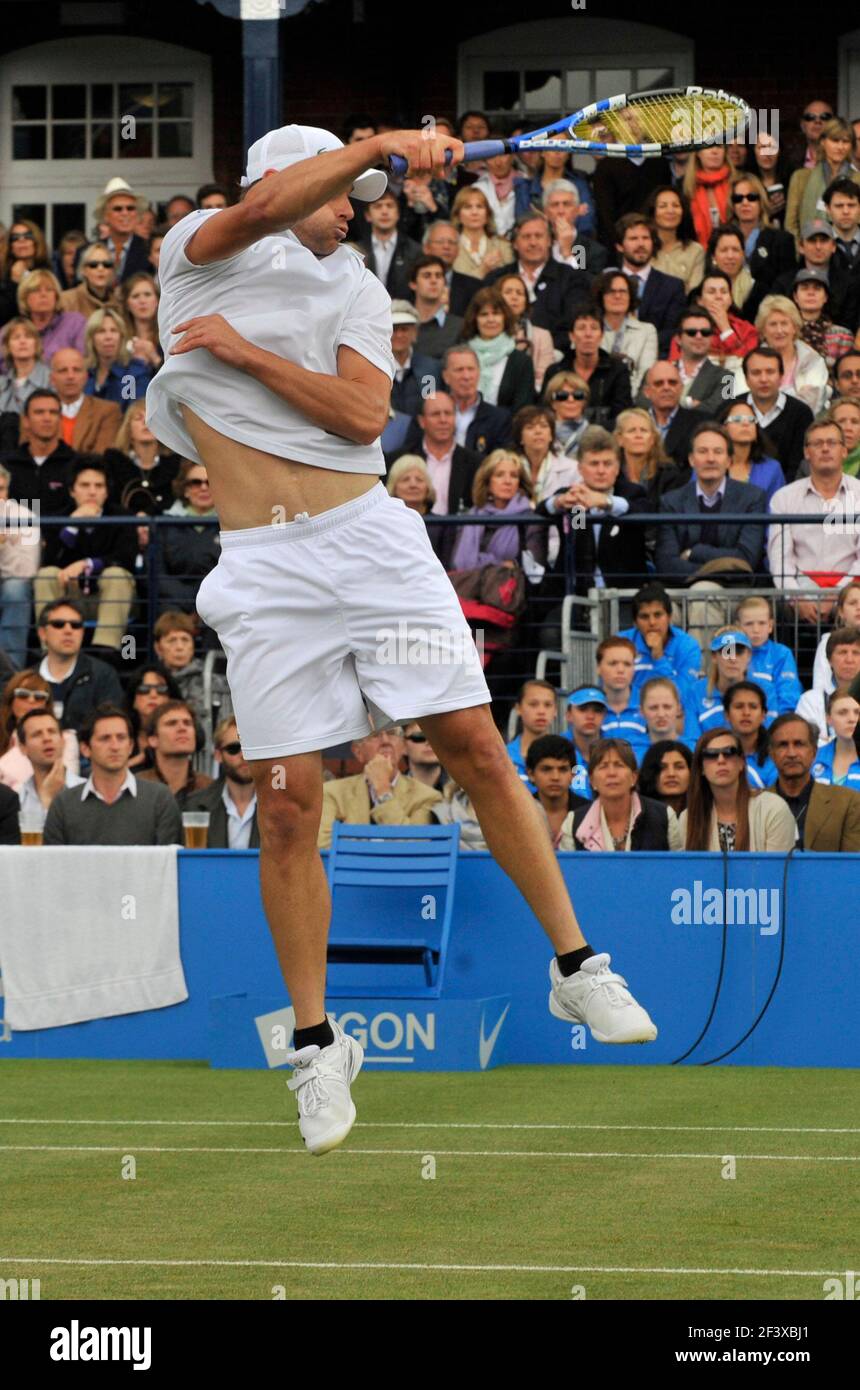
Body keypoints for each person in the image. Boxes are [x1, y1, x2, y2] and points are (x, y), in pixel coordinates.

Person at [145, 123, 657, 1154]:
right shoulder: (198, 244)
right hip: (263, 565)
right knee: (289, 805)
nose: (361, 207)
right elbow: (261, 211)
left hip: (367, 539)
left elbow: (354, 416)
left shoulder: (347, 290)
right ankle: (315, 1044)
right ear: (287, 180)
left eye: (369, 190)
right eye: (347, 190)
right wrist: (379, 142)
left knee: (470, 740)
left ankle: (575, 968)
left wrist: (242, 356)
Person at [33, 455, 136, 653]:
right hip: (70, 596)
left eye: (99, 486)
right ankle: (49, 649)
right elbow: (50, 560)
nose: (92, 491)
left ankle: (105, 652)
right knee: (46, 575)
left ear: (107, 492)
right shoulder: (58, 519)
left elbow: (126, 559)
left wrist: (88, 564)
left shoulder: (123, 517)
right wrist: (72, 524)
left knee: (116, 574)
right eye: (85, 485)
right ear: (72, 490)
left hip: (112, 598)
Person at [768, 420, 860, 636]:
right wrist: (796, 598)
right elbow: (779, 558)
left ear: (845, 451)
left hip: (852, 588)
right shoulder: (785, 497)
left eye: (832, 443)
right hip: (799, 587)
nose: (825, 448)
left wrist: (841, 595)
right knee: (773, 610)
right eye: (817, 443)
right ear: (806, 453)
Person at [43, 703, 182, 845]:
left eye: (121, 738)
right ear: (85, 749)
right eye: (105, 738)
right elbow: (53, 864)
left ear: (130, 746)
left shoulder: (159, 799)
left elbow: (169, 863)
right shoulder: (64, 804)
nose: (115, 746)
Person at [656, 422, 767, 582]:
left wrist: (694, 553)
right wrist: (717, 573)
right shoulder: (671, 501)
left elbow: (746, 559)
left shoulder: (752, 497)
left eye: (718, 452)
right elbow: (666, 564)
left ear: (729, 461)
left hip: (736, 591)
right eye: (702, 451)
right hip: (684, 590)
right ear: (691, 460)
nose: (710, 459)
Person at [550, 424, 647, 596]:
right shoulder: (574, 497)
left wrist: (606, 502)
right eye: (594, 464)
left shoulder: (633, 493)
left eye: (607, 464)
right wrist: (559, 502)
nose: (601, 471)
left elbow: (643, 514)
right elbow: (544, 511)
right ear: (580, 468)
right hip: (576, 593)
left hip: (625, 596)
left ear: (617, 468)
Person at [318, 725, 443, 849]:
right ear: (358, 751)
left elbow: (414, 847)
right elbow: (322, 845)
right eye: (375, 735)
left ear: (403, 746)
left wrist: (383, 791)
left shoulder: (427, 796)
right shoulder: (331, 792)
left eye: (391, 733)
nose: (385, 741)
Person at [484, 213, 591, 351]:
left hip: (556, 356)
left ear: (550, 241)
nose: (533, 243)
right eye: (526, 237)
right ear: (515, 244)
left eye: (539, 236)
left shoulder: (571, 278)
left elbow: (575, 324)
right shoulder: (495, 279)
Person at [680, 726, 796, 850]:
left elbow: (777, 869)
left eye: (729, 752)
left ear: (742, 763)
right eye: (711, 755)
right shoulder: (688, 819)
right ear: (701, 768)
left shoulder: (773, 809)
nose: (721, 760)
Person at [562, 737, 682, 851]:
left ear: (634, 777)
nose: (611, 773)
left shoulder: (664, 816)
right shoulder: (574, 822)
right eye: (603, 766)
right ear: (592, 780)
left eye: (619, 765)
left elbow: (679, 868)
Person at [33, 597, 123, 741]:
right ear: (42, 633)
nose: (68, 630)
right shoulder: (28, 680)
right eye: (59, 624)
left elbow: (112, 730)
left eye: (76, 625)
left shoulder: (104, 675)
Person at [770, 713, 860, 850]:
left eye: (799, 744)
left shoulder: (848, 802)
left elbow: (851, 866)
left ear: (814, 752)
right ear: (771, 753)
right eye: (783, 745)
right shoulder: (754, 803)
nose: (791, 753)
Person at [450, 448, 546, 572]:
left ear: (519, 483)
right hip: (472, 586)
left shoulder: (529, 519)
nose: (507, 481)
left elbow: (534, 565)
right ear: (488, 483)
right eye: (500, 475)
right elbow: (459, 563)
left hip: (511, 587)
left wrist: (483, 562)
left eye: (514, 476)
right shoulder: (473, 515)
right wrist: (496, 563)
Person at [733, 346, 814, 481]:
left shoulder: (801, 413)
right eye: (756, 373)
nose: (764, 379)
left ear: (781, 376)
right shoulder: (730, 409)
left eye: (770, 372)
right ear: (746, 378)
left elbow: (799, 464)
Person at [395, 390, 480, 518]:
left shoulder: (475, 463)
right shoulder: (398, 460)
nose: (443, 420)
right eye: (435, 414)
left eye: (448, 413)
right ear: (422, 421)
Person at [613, 214, 685, 356]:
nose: (641, 244)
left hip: (656, 358)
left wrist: (640, 345)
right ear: (620, 246)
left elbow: (673, 331)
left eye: (645, 238)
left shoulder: (672, 286)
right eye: (633, 239)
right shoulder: (605, 282)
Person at [183, 715, 259, 848]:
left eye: (250, 747)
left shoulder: (282, 805)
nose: (243, 755)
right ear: (218, 755)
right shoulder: (192, 805)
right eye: (234, 748)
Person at [618, 581, 703, 699]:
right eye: (644, 617)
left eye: (658, 615)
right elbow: (612, 690)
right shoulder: (620, 643)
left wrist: (659, 657)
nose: (652, 622)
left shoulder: (688, 646)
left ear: (669, 617)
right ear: (635, 622)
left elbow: (682, 695)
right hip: (632, 714)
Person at [0, 669, 79, 790]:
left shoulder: (65, 739)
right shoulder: (3, 734)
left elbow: (69, 787)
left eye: (39, 697)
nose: (31, 701)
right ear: (11, 700)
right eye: (23, 695)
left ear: (46, 704)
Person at [750, 294, 830, 415]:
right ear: (763, 331)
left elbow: (809, 406)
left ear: (794, 327)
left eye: (784, 323)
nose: (779, 330)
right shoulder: (750, 363)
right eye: (773, 324)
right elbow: (745, 400)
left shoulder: (813, 361)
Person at [689, 626, 777, 735]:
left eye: (738, 652)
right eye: (727, 652)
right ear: (714, 657)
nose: (732, 659)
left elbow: (770, 735)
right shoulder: (695, 691)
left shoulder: (766, 689)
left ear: (749, 656)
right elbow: (690, 738)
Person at [3, 389, 78, 515]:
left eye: (53, 413)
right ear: (26, 420)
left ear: (60, 420)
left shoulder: (76, 464)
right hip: (16, 533)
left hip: (61, 534)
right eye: (39, 412)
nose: (47, 418)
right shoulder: (6, 465)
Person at [729, 173, 796, 312]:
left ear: (762, 201)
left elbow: (785, 286)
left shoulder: (782, 240)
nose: (745, 203)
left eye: (752, 197)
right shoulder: (722, 239)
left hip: (768, 314)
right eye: (738, 198)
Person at [159, 460, 220, 615]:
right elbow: (157, 572)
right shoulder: (164, 524)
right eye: (195, 483)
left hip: (218, 602)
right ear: (185, 489)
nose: (204, 488)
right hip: (174, 603)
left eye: (210, 482)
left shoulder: (232, 525)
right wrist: (187, 600)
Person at [460, 286, 535, 412]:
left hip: (506, 429)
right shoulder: (460, 356)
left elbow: (523, 408)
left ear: (505, 318)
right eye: (484, 314)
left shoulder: (521, 362)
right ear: (474, 319)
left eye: (496, 314)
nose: (490, 320)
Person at [786, 117, 860, 244]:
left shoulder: (858, 180)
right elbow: (791, 225)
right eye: (835, 140)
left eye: (845, 141)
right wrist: (802, 251)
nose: (840, 146)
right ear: (823, 141)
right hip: (808, 253)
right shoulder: (801, 178)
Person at [103, 398, 180, 514]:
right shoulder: (112, 461)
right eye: (139, 418)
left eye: (151, 418)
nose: (145, 422)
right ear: (128, 429)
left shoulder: (175, 462)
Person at [558, 307, 632, 426]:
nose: (588, 334)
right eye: (581, 328)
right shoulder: (557, 371)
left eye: (594, 328)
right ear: (571, 335)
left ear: (601, 335)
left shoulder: (618, 370)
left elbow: (622, 416)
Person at [14, 706, 85, 830]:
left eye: (52, 731)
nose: (47, 738)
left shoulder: (87, 792)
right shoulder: (17, 800)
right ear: (22, 748)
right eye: (37, 734)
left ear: (63, 741)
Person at [136, 699, 214, 808]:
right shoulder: (136, 787)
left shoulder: (210, 788)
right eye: (171, 723)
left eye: (187, 723)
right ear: (153, 740)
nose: (182, 728)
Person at [735, 594, 803, 713]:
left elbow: (789, 695)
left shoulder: (782, 653)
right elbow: (722, 681)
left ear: (770, 626)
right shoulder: (729, 646)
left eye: (762, 623)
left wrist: (778, 726)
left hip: (772, 724)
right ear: (738, 626)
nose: (756, 630)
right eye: (749, 624)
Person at [594, 270, 657, 395]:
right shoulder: (589, 328)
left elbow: (645, 374)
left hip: (632, 399)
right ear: (602, 296)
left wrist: (626, 396)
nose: (617, 296)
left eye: (623, 291)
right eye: (611, 291)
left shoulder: (647, 331)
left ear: (630, 296)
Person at [49, 347, 122, 453]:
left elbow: (101, 456)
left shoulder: (107, 411)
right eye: (63, 370)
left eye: (76, 370)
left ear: (86, 377)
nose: (70, 376)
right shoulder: (38, 412)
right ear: (52, 379)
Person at [525, 733, 589, 850]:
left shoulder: (589, 813)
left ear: (573, 775)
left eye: (563, 769)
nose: (555, 777)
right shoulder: (519, 812)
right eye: (546, 769)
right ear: (531, 774)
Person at [796, 626, 860, 743]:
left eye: (856, 653)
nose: (849, 659)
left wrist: (827, 741)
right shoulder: (810, 700)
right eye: (842, 652)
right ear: (829, 660)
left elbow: (818, 744)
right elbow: (806, 744)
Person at [83, 305, 153, 409]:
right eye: (101, 331)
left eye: (114, 330)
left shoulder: (134, 373)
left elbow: (133, 413)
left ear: (122, 336)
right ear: (91, 338)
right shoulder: (84, 373)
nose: (108, 337)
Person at [496, 272, 557, 392]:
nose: (514, 297)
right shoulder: (488, 332)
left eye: (520, 293)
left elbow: (542, 378)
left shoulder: (542, 336)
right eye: (508, 292)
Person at [716, 398, 786, 502]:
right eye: (737, 419)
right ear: (723, 427)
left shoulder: (772, 468)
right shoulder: (709, 463)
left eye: (751, 419)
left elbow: (777, 510)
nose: (745, 424)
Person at [670, 307, 733, 417]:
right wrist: (692, 403)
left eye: (705, 332)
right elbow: (643, 401)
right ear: (678, 339)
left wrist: (675, 403)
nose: (699, 336)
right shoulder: (659, 372)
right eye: (691, 332)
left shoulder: (727, 377)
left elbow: (722, 409)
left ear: (712, 338)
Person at [640, 362, 705, 469]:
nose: (666, 387)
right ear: (647, 392)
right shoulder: (633, 423)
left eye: (672, 383)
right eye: (659, 383)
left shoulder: (701, 424)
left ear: (681, 388)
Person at [358, 190, 421, 299]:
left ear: (398, 214)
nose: (384, 211)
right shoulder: (357, 251)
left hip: (403, 311)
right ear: (368, 215)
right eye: (378, 206)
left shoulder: (415, 251)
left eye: (390, 206)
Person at [644, 185, 705, 293]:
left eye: (676, 205)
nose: (670, 211)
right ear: (653, 212)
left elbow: (694, 294)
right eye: (663, 206)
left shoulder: (695, 251)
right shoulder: (644, 248)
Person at [613, 407, 681, 505]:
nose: (638, 435)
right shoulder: (609, 473)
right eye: (632, 431)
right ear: (619, 439)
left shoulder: (668, 474)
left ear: (652, 439)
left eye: (644, 430)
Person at [690, 269, 759, 364]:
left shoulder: (747, 330)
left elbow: (751, 365)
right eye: (711, 292)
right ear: (700, 301)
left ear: (730, 299)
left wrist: (726, 330)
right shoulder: (688, 329)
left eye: (724, 292)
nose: (718, 296)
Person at [17, 269, 86, 363]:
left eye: (49, 290)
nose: (43, 294)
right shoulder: (14, 330)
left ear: (56, 296)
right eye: (36, 290)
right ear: (25, 298)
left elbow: (83, 360)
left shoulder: (75, 323)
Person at [92, 178, 154, 281]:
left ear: (137, 214)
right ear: (105, 216)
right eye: (118, 209)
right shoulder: (88, 252)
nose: (125, 213)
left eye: (130, 208)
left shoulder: (149, 251)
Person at [542, 180, 607, 276]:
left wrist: (568, 254)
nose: (561, 211)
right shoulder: (537, 245)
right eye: (555, 205)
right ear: (546, 212)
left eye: (566, 204)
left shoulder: (593, 251)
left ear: (577, 210)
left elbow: (588, 287)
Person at [124, 663, 183, 771]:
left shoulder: (182, 729)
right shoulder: (121, 733)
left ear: (170, 698)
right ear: (133, 701)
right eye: (144, 689)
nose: (153, 695)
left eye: (161, 689)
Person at [388, 300, 441, 416]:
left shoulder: (429, 369)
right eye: (394, 329)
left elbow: (431, 404)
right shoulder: (377, 368)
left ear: (415, 332)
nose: (399, 335)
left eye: (404, 329)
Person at [791, 269, 854, 368]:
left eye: (817, 288)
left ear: (825, 297)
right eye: (804, 288)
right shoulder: (786, 332)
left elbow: (846, 372)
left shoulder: (842, 335)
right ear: (795, 297)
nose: (811, 293)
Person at [723, 679, 779, 788]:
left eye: (753, 706)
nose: (746, 713)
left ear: (763, 715)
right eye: (739, 706)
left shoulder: (776, 756)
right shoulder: (717, 755)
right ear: (727, 715)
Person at [408, 253, 465, 359]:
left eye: (438, 276)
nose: (434, 281)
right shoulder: (401, 325)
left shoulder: (459, 326)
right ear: (413, 284)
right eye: (427, 276)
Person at [450, 186, 513, 280]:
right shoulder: (450, 247)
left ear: (487, 214)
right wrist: (483, 269)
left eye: (479, 206)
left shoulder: (503, 246)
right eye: (468, 207)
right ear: (458, 215)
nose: (474, 212)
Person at [629, 676, 695, 765]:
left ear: (678, 709)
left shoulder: (693, 749)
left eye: (667, 707)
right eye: (653, 708)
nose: (661, 714)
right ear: (642, 711)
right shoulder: (631, 752)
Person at [505, 677, 557, 789]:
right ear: (518, 708)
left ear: (555, 710)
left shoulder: (568, 755)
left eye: (548, 705)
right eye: (533, 704)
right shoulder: (503, 756)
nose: (541, 711)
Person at [420, 222, 481, 317]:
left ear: (458, 250)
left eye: (452, 242)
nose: (446, 247)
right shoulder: (409, 283)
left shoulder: (475, 287)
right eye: (440, 242)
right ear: (426, 248)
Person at [594, 635, 646, 743]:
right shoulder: (587, 706)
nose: (621, 670)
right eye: (613, 663)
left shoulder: (649, 704)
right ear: (598, 668)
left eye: (627, 664)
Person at [0, 220, 51, 327]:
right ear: (10, 245)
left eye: (27, 236)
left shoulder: (48, 271)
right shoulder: (3, 273)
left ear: (36, 241)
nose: (22, 240)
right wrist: (14, 283)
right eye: (15, 238)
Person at [811, 580, 860, 690]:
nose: (859, 607)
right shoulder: (827, 642)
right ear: (841, 612)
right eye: (853, 603)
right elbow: (820, 686)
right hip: (834, 704)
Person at [563, 685, 609, 798]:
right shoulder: (556, 749)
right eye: (583, 709)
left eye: (597, 711)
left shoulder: (617, 749)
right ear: (568, 715)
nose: (590, 716)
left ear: (605, 716)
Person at [0, 317, 51, 414]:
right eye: (16, 337)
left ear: (36, 343)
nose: (22, 342)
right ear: (8, 346)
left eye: (28, 336)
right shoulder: (2, 384)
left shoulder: (52, 379)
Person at [58, 241, 120, 319]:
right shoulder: (67, 301)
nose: (100, 269)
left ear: (112, 271)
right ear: (83, 270)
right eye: (93, 265)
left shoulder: (120, 304)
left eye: (106, 265)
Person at [811, 691, 860, 789]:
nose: (852, 719)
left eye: (857, 712)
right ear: (829, 719)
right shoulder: (813, 757)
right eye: (842, 713)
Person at [118, 272, 163, 372]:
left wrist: (155, 358)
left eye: (147, 295)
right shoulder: (118, 338)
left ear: (157, 301)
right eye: (135, 296)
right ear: (127, 304)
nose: (142, 301)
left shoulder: (168, 336)